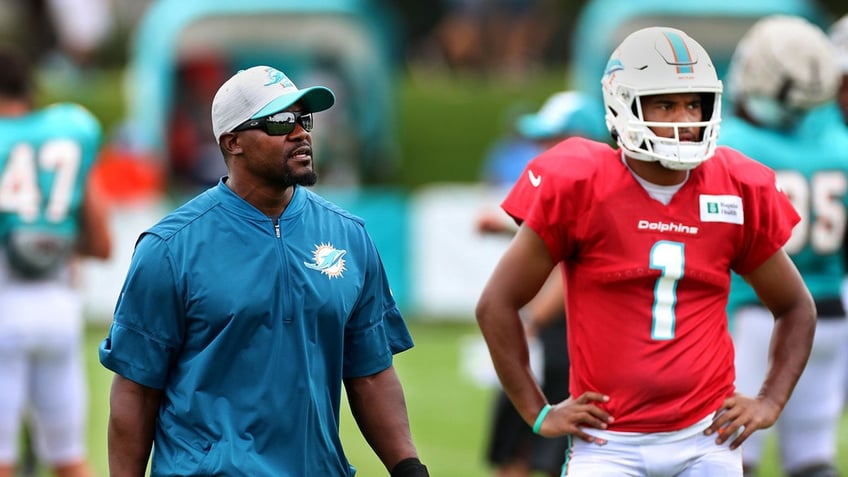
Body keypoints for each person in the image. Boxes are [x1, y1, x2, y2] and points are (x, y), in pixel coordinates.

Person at [475, 26, 816, 477]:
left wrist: (770, 399)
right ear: (624, 104)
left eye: (694, 104)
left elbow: (795, 306)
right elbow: (495, 304)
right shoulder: (581, 182)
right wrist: (538, 411)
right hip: (608, 444)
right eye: (666, 104)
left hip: (705, 440)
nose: (686, 119)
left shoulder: (734, 186)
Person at [98, 65, 429, 477]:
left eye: (302, 119)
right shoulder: (169, 248)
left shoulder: (349, 236)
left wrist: (408, 466)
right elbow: (135, 390)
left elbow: (371, 373)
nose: (300, 133)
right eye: (279, 121)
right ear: (232, 142)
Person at [720, 15, 848, 477]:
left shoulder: (731, 146)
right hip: (829, 314)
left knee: (731, 456)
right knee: (813, 459)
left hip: (756, 314)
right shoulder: (839, 144)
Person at [477, 91, 607, 477]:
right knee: (524, 448)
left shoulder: (592, 193)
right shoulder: (576, 190)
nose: (542, 148)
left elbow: (569, 273)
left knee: (548, 452)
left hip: (566, 349)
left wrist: (531, 318)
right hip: (556, 344)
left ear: (581, 139)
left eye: (552, 137)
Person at [0, 46, 110, 477]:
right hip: (58, 308)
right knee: (69, 460)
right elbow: (101, 242)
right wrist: (50, 245)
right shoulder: (68, 134)